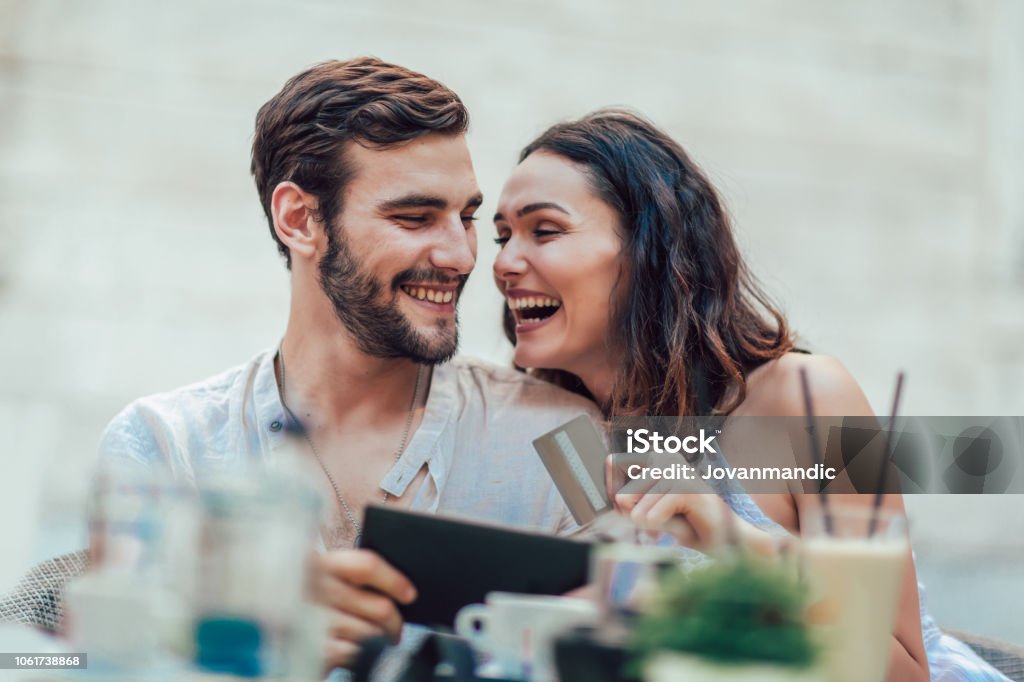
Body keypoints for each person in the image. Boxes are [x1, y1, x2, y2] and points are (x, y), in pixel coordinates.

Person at [92, 58, 599, 671]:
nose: (462, 255)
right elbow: (67, 661)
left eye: (466, 217)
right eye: (414, 217)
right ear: (300, 220)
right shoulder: (162, 446)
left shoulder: (567, 437)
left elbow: (680, 627)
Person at [491, 109, 1009, 681]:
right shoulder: (568, 431)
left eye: (544, 230)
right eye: (501, 236)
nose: (504, 262)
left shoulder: (813, 398)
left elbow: (904, 672)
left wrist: (731, 540)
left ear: (647, 249)